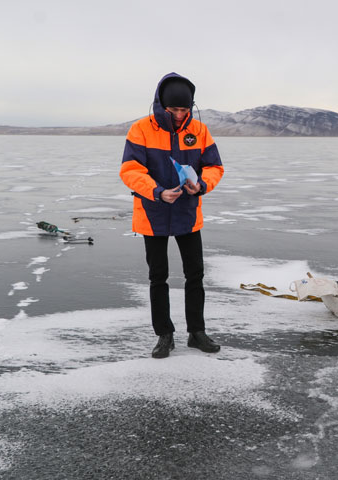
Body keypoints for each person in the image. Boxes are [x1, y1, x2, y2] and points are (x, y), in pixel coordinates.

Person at [120, 72, 224, 359]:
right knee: (158, 277)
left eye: (184, 109)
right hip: (152, 214)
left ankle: (197, 333)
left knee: (195, 275)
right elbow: (130, 170)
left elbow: (214, 166)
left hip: (187, 214)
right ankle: (164, 335)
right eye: (173, 110)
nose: (179, 115)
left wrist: (201, 185)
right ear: (161, 105)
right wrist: (157, 192)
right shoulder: (141, 130)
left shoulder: (200, 130)